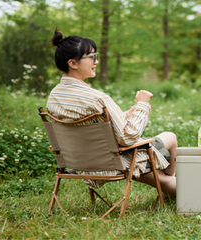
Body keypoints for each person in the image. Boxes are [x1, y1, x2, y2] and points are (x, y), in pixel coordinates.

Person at [47, 29, 177, 197]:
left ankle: (167, 187)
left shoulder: (53, 97)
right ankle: (172, 187)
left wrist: (126, 114)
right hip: (115, 162)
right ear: (73, 63)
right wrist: (142, 105)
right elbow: (128, 136)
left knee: (163, 180)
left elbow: (91, 124)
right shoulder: (97, 98)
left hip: (82, 163)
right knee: (170, 137)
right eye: (92, 57)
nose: (96, 61)